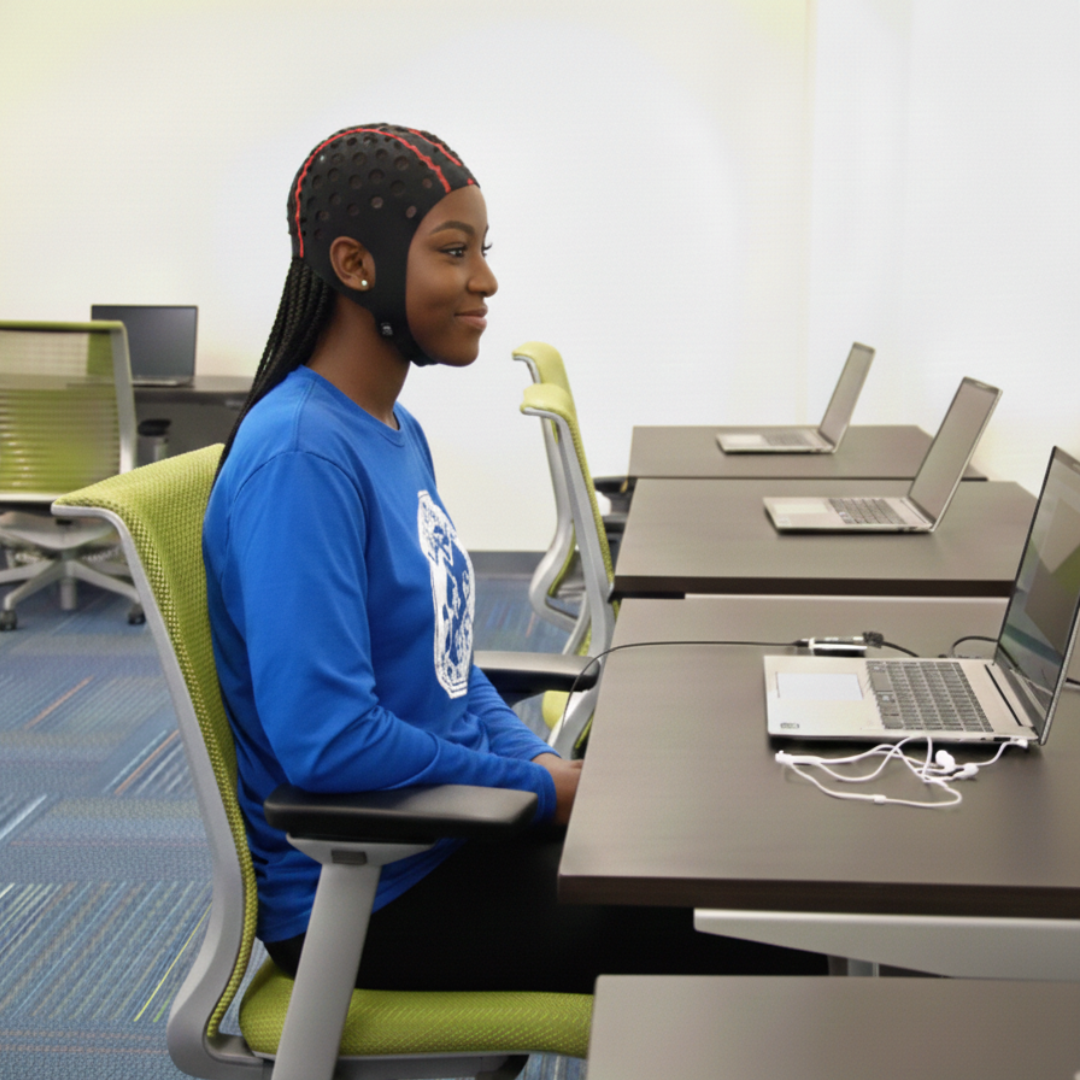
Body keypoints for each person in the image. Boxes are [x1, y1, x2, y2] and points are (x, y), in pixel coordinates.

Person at [203, 123, 825, 994]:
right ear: (354, 264)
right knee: (780, 935)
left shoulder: (390, 428)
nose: (485, 281)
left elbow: (448, 675)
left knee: (746, 846)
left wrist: (538, 768)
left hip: (457, 830)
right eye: (453, 252)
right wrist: (545, 794)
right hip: (376, 896)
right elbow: (330, 745)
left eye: (482, 251)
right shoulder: (303, 457)